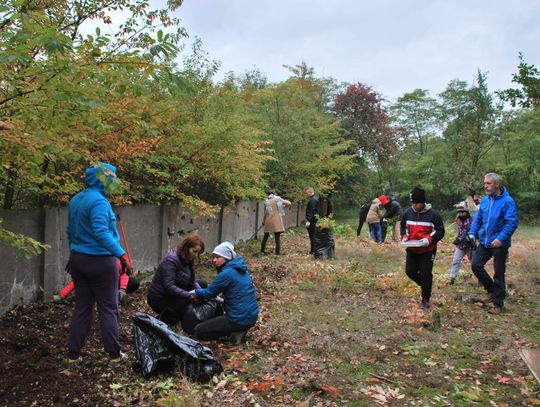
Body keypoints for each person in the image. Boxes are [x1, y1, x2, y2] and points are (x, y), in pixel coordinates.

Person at [66, 162, 132, 364]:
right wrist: (122, 255)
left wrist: (74, 253)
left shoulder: (77, 199)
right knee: (108, 308)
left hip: (78, 260)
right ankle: (114, 355)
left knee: (82, 307)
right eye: (111, 178)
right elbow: (101, 232)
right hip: (100, 262)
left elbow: (70, 231)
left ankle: (73, 356)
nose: (114, 183)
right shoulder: (99, 203)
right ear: (103, 180)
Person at [469, 173, 518, 314]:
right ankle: (491, 291)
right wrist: (472, 233)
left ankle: (498, 304)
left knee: (499, 273)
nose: (486, 186)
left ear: (496, 184)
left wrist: (501, 238)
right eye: (485, 183)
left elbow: (512, 222)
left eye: (489, 183)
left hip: (499, 244)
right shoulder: (484, 200)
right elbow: (478, 219)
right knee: (475, 265)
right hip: (485, 241)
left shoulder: (507, 201)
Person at [191, 242, 259, 345]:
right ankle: (238, 329)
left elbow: (209, 293)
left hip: (238, 318)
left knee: (198, 330)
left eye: (218, 257)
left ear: (226, 258)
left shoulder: (227, 274)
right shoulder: (240, 268)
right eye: (213, 257)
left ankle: (231, 335)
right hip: (251, 316)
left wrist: (194, 292)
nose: (214, 260)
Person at [401, 187, 445, 308]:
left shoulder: (434, 215)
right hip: (412, 248)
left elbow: (441, 231)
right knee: (410, 271)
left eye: (416, 203)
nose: (414, 206)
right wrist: (404, 237)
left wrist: (429, 239)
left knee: (425, 272)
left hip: (428, 249)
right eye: (412, 203)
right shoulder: (407, 213)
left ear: (423, 202)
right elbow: (403, 227)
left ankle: (425, 299)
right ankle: (425, 284)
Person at [147, 234, 206, 325]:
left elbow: (192, 281)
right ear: (186, 248)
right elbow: (169, 286)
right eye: (194, 251)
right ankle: (164, 317)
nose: (196, 255)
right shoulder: (171, 260)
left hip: (175, 291)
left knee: (202, 284)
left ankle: (180, 313)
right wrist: (190, 296)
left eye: (198, 252)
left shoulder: (189, 258)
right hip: (160, 298)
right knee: (180, 310)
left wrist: (201, 293)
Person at [54, 261, 140, 305]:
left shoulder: (116, 262)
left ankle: (117, 297)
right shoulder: (94, 266)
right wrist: (62, 295)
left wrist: (122, 289)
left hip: (112, 283)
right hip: (98, 286)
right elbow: (76, 281)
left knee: (134, 283)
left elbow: (123, 274)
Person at [448, 203, 474, 285]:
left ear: (467, 212)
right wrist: (457, 239)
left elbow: (472, 232)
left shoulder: (471, 220)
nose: (461, 214)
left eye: (463, 212)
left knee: (475, 263)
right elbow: (460, 232)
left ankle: (481, 279)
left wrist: (467, 239)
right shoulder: (459, 220)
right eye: (459, 212)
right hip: (460, 246)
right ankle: (452, 278)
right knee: (456, 261)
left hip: (470, 246)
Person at [305, 187, 320, 254]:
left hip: (312, 221)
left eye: (307, 193)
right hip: (314, 220)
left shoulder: (313, 200)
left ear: (310, 192)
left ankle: (313, 250)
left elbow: (312, 211)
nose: (306, 194)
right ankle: (313, 250)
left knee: (312, 236)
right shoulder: (314, 199)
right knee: (313, 236)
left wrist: (309, 221)